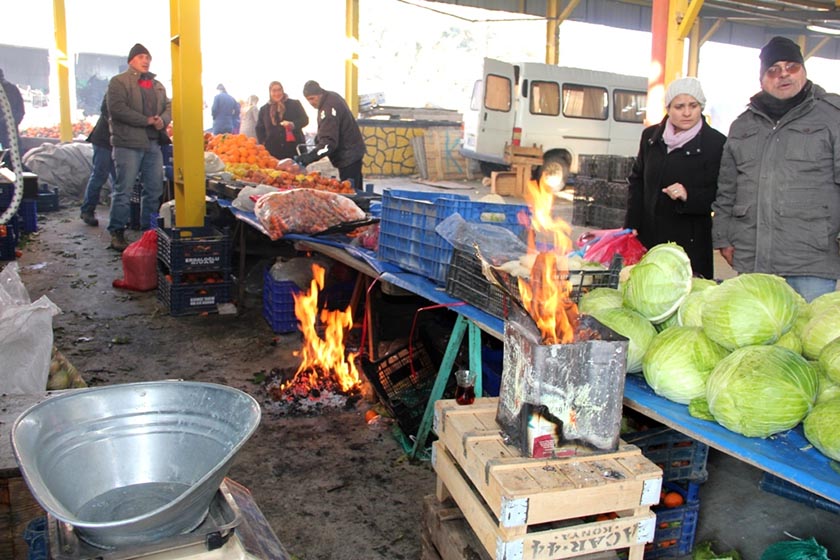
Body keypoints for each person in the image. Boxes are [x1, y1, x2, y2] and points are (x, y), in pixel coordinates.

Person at [712, 36, 840, 302]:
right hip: (754, 259)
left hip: (812, 260)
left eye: (791, 66)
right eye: (773, 70)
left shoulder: (832, 117)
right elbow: (727, 189)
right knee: (756, 337)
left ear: (804, 71)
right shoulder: (743, 126)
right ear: (762, 80)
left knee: (809, 339)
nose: (783, 75)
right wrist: (723, 237)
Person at [625, 77, 726, 279]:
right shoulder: (651, 138)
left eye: (693, 106)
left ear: (701, 107)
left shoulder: (716, 143)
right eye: (679, 106)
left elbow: (722, 194)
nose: (687, 113)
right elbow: (637, 181)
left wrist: (689, 196)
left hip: (690, 243)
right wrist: (632, 223)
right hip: (650, 237)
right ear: (668, 108)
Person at [106, 43, 171, 251]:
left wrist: (162, 120)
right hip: (128, 144)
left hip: (153, 143)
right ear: (131, 60)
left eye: (148, 57)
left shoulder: (158, 85)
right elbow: (117, 109)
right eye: (142, 57)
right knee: (123, 190)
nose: (146, 61)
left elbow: (169, 107)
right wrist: (146, 120)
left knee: (153, 190)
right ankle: (117, 232)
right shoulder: (118, 82)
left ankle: (148, 233)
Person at [296, 80, 366, 190]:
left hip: (347, 155)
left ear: (320, 94)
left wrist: (310, 157)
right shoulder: (332, 97)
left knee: (350, 189)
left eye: (312, 98)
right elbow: (331, 130)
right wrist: (319, 138)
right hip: (353, 150)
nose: (311, 103)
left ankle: (359, 206)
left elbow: (327, 145)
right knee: (355, 187)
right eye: (308, 100)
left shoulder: (328, 109)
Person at [80, 95, 117, 226]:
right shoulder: (116, 88)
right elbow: (106, 110)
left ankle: (119, 216)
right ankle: (87, 210)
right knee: (100, 174)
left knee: (119, 179)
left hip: (121, 142)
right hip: (103, 140)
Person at [256, 81, 308, 160]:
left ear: (282, 90)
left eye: (279, 90)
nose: (277, 93)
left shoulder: (294, 104)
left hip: (293, 148)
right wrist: (263, 143)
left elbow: (305, 120)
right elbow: (259, 128)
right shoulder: (264, 109)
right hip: (273, 151)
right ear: (270, 92)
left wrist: (293, 124)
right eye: (274, 91)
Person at [0, 68, 25, 166]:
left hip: (9, 136)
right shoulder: (12, 90)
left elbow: (19, 113)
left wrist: (6, 122)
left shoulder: (11, 90)